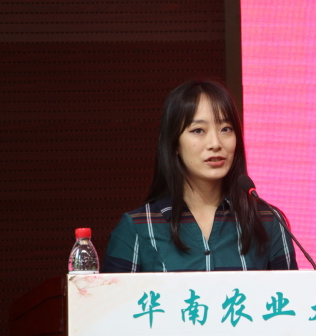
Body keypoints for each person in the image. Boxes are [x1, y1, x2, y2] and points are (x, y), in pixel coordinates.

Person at [102, 80, 298, 272]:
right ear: (173, 143)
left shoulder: (268, 221)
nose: (215, 143)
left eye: (226, 129)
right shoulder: (138, 227)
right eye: (198, 130)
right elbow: (112, 294)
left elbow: (289, 294)